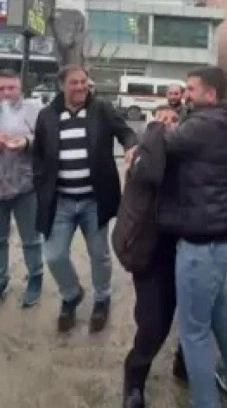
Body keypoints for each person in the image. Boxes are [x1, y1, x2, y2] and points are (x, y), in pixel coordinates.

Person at [154, 67, 227, 407]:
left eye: (191, 89)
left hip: (201, 245)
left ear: (210, 94)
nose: (186, 94)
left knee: (194, 332)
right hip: (225, 238)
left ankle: (206, 402)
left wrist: (159, 123)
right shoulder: (225, 123)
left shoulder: (200, 125)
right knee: (219, 309)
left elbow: (162, 144)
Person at [33, 65, 137, 333]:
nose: (81, 87)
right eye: (74, 82)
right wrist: (40, 184)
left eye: (84, 82)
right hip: (61, 201)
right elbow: (39, 155)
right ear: (62, 85)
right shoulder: (47, 115)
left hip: (94, 200)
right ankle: (71, 294)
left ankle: (102, 299)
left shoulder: (101, 109)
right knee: (54, 255)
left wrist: (131, 147)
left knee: (99, 255)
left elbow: (126, 132)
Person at [121, 106, 184, 408]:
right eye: (160, 120)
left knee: (188, 315)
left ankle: (184, 362)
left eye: (173, 120)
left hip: (181, 250)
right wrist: (155, 133)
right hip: (147, 251)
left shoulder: (186, 155)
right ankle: (135, 377)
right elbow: (151, 173)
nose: (167, 124)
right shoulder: (142, 157)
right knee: (152, 322)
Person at [0, 69, 44, 307]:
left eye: (11, 88)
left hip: (26, 186)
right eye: (1, 88)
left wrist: (27, 143)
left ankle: (35, 278)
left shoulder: (33, 109)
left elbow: (48, 140)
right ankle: (1, 280)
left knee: (31, 239)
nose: (6, 93)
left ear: (20, 88)